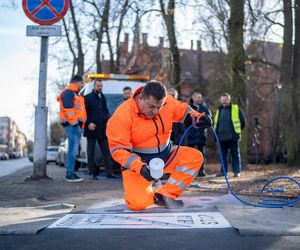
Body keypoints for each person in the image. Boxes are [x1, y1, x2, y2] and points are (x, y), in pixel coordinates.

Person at [106, 80, 212, 211]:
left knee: (194, 157)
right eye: (151, 107)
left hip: (166, 156)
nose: (156, 111)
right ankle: (145, 194)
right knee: (137, 204)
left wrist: (199, 118)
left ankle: (164, 195)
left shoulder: (167, 102)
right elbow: (118, 150)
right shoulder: (122, 115)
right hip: (139, 164)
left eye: (159, 106)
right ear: (141, 98)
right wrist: (139, 167)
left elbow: (184, 111)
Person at [84, 79, 117, 179]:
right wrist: (89, 123)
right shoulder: (87, 97)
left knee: (106, 152)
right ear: (94, 86)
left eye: (101, 86)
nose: (100, 88)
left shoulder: (103, 97)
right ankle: (92, 173)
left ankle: (109, 173)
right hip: (91, 129)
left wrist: (109, 120)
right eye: (98, 86)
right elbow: (84, 112)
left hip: (102, 129)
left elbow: (105, 111)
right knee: (91, 152)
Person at [57, 75, 86, 182]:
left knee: (73, 150)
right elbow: (68, 109)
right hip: (72, 126)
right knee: (72, 150)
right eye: (82, 83)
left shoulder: (73, 93)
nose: (82, 85)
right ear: (77, 82)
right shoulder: (69, 92)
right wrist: (75, 123)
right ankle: (70, 174)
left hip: (74, 125)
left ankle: (71, 173)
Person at [214, 93, 246, 177]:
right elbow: (216, 124)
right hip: (221, 137)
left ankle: (236, 171)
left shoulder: (235, 108)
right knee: (223, 156)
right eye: (223, 99)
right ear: (220, 101)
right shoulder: (218, 110)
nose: (224, 101)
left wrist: (237, 131)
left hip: (233, 137)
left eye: (226, 99)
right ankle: (223, 171)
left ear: (229, 100)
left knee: (235, 154)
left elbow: (243, 122)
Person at [187, 92, 212, 177]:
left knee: (202, 154)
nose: (200, 99)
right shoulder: (188, 109)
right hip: (190, 135)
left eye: (200, 97)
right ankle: (190, 172)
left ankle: (201, 171)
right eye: (198, 97)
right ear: (193, 98)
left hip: (201, 135)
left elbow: (210, 121)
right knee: (190, 155)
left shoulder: (205, 109)